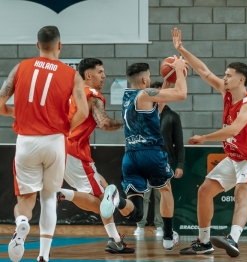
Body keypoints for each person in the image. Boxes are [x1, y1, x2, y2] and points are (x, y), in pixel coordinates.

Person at [171, 28, 247, 257]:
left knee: (242, 193)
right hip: (235, 157)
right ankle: (204, 242)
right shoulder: (227, 93)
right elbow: (204, 72)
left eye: (228, 75)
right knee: (204, 191)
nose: (224, 78)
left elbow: (235, 129)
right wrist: (181, 49)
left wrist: (204, 138)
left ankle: (233, 239)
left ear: (240, 79)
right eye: (224, 75)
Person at [0, 26, 89, 262]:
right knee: (49, 198)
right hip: (54, 142)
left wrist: (13, 112)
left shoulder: (20, 68)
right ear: (59, 45)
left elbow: (0, 104)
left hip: (26, 142)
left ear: (37, 45)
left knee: (26, 200)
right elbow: (83, 111)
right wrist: (66, 128)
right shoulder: (72, 74)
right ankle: (43, 256)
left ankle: (21, 223)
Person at [100, 57, 188, 251]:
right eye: (148, 77)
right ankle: (167, 237)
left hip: (130, 157)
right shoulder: (145, 94)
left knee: (136, 213)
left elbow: (156, 109)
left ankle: (116, 199)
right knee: (165, 190)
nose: (149, 79)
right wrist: (180, 70)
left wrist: (167, 81)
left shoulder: (127, 97)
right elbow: (181, 94)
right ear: (144, 81)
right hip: (151, 153)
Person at [56, 58, 134, 254]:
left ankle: (115, 237)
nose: (104, 76)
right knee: (102, 202)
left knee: (102, 185)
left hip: (55, 147)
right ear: (88, 75)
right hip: (75, 151)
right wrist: (129, 122)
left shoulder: (67, 92)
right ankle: (63, 194)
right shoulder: (92, 94)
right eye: (100, 72)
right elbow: (104, 123)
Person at [133, 81, 185, 237]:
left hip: (164, 161)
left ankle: (161, 226)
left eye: (161, 93)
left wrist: (180, 164)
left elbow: (179, 143)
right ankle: (140, 226)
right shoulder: (142, 114)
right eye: (155, 93)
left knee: (161, 194)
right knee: (144, 194)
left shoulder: (172, 116)